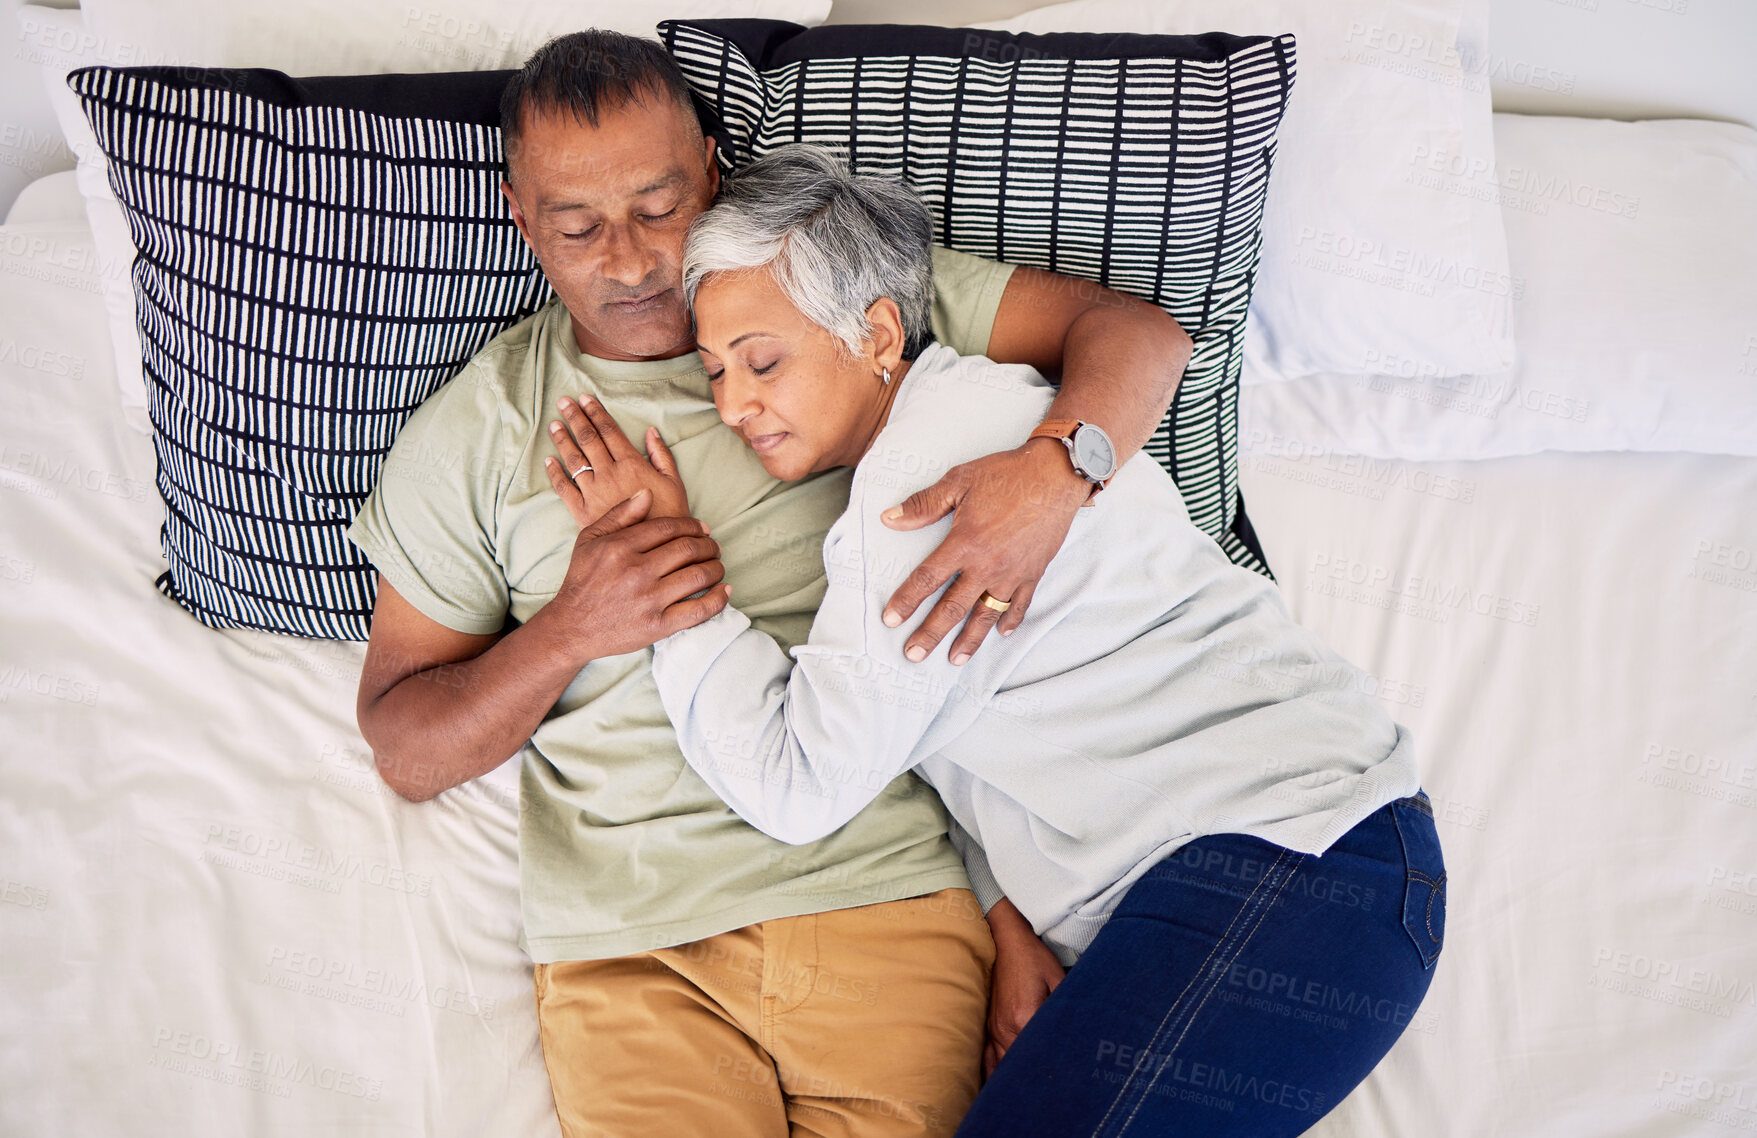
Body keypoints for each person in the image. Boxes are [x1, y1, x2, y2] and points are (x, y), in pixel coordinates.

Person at [346, 30, 1193, 1138]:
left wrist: (1052, 472)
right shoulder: (481, 429)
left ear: (709, 167)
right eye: (575, 225)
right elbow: (407, 748)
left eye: (657, 207)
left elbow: (1133, 335)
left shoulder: (830, 292)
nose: (631, 258)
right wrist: (574, 626)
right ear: (520, 216)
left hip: (883, 893)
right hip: (632, 943)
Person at [546, 144, 1447, 1137]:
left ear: (875, 332)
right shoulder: (985, 413)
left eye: (762, 361)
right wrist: (1007, 917)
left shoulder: (921, 495)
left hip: (1294, 862)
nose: (729, 405)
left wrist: (667, 578)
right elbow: (968, 717)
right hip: (1283, 874)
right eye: (714, 370)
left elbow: (795, 784)